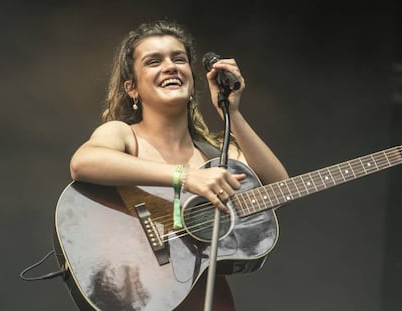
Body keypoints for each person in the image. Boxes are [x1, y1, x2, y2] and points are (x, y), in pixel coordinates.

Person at [70, 19, 288, 311]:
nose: (171, 66)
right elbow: (83, 163)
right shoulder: (123, 134)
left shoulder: (217, 155)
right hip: (138, 288)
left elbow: (277, 188)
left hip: (201, 293)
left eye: (179, 59)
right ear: (132, 88)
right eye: (154, 61)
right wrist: (184, 176)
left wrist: (232, 111)